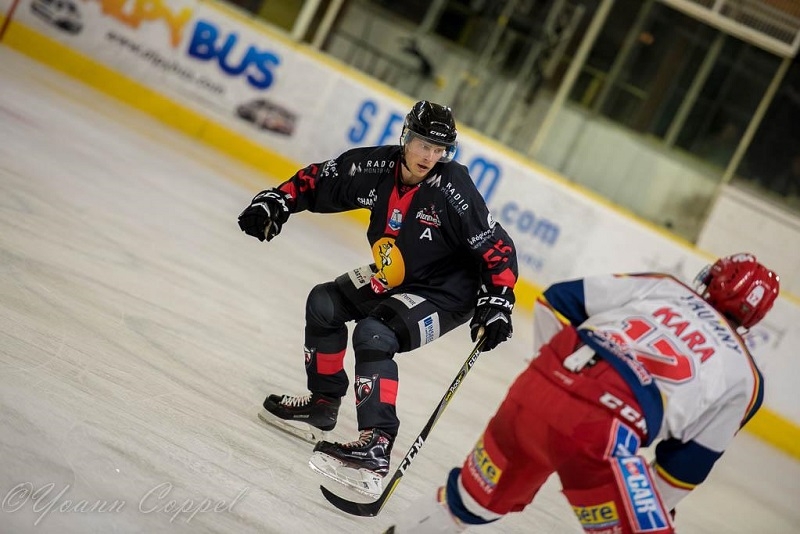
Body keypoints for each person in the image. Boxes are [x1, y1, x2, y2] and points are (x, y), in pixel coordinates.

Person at [237, 101, 518, 496]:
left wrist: (498, 302)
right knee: (325, 303)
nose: (430, 156)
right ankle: (323, 403)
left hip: (445, 293)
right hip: (397, 274)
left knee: (375, 334)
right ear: (406, 137)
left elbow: (497, 249)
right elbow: (319, 180)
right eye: (423, 144)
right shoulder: (375, 168)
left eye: (440, 150)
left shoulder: (453, 187)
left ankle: (377, 442)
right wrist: (277, 201)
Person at [386, 253, 779, 533]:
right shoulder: (746, 376)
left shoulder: (665, 287)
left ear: (711, 279)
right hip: (606, 426)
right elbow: (684, 468)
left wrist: (559, 377)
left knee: (471, 502)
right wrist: (646, 505)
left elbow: (556, 300)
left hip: (541, 384)